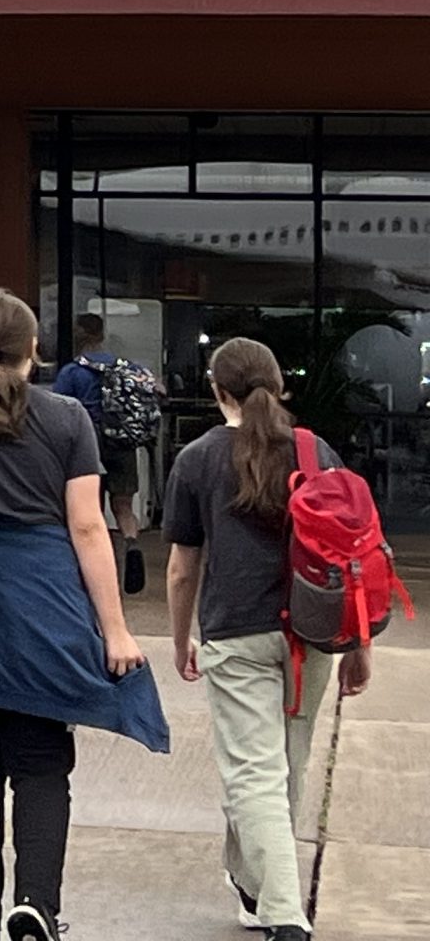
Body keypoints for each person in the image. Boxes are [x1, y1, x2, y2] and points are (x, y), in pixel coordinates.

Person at [0, 289, 166, 941]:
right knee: (41, 764)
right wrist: (115, 630)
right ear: (34, 348)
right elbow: (88, 527)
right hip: (44, 604)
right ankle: (36, 907)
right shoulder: (66, 418)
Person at [166, 338, 366, 941]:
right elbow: (350, 557)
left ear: (216, 390)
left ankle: (283, 913)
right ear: (279, 386)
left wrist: (180, 639)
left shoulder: (197, 458)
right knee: (283, 766)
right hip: (311, 634)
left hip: (235, 634)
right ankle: (251, 882)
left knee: (253, 772)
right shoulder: (314, 450)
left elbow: (182, 568)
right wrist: (358, 645)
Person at [52, 311, 155, 594]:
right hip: (121, 443)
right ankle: (132, 545)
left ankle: (96, 571)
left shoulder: (72, 371)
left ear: (79, 335)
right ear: (102, 335)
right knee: (123, 507)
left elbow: (59, 409)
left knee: (91, 510)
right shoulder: (124, 367)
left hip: (88, 444)